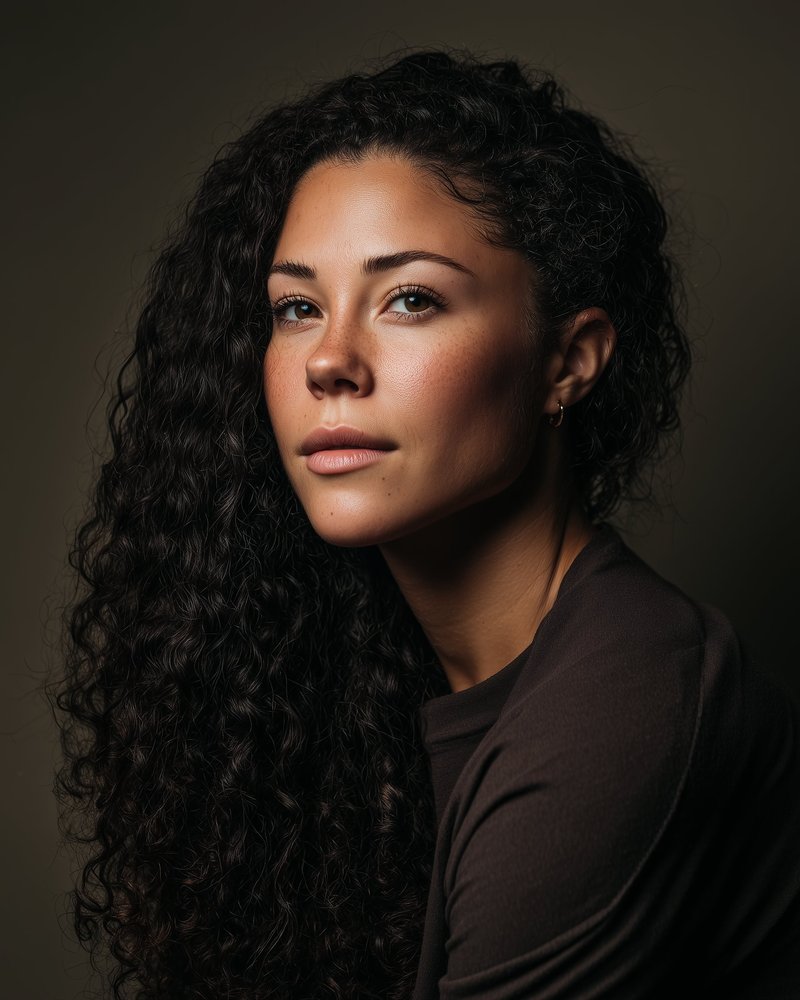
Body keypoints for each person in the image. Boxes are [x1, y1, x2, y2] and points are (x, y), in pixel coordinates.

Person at [53, 47, 800, 1000]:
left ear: (568, 362)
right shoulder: (369, 692)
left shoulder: (621, 710)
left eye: (410, 298)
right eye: (296, 306)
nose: (330, 359)